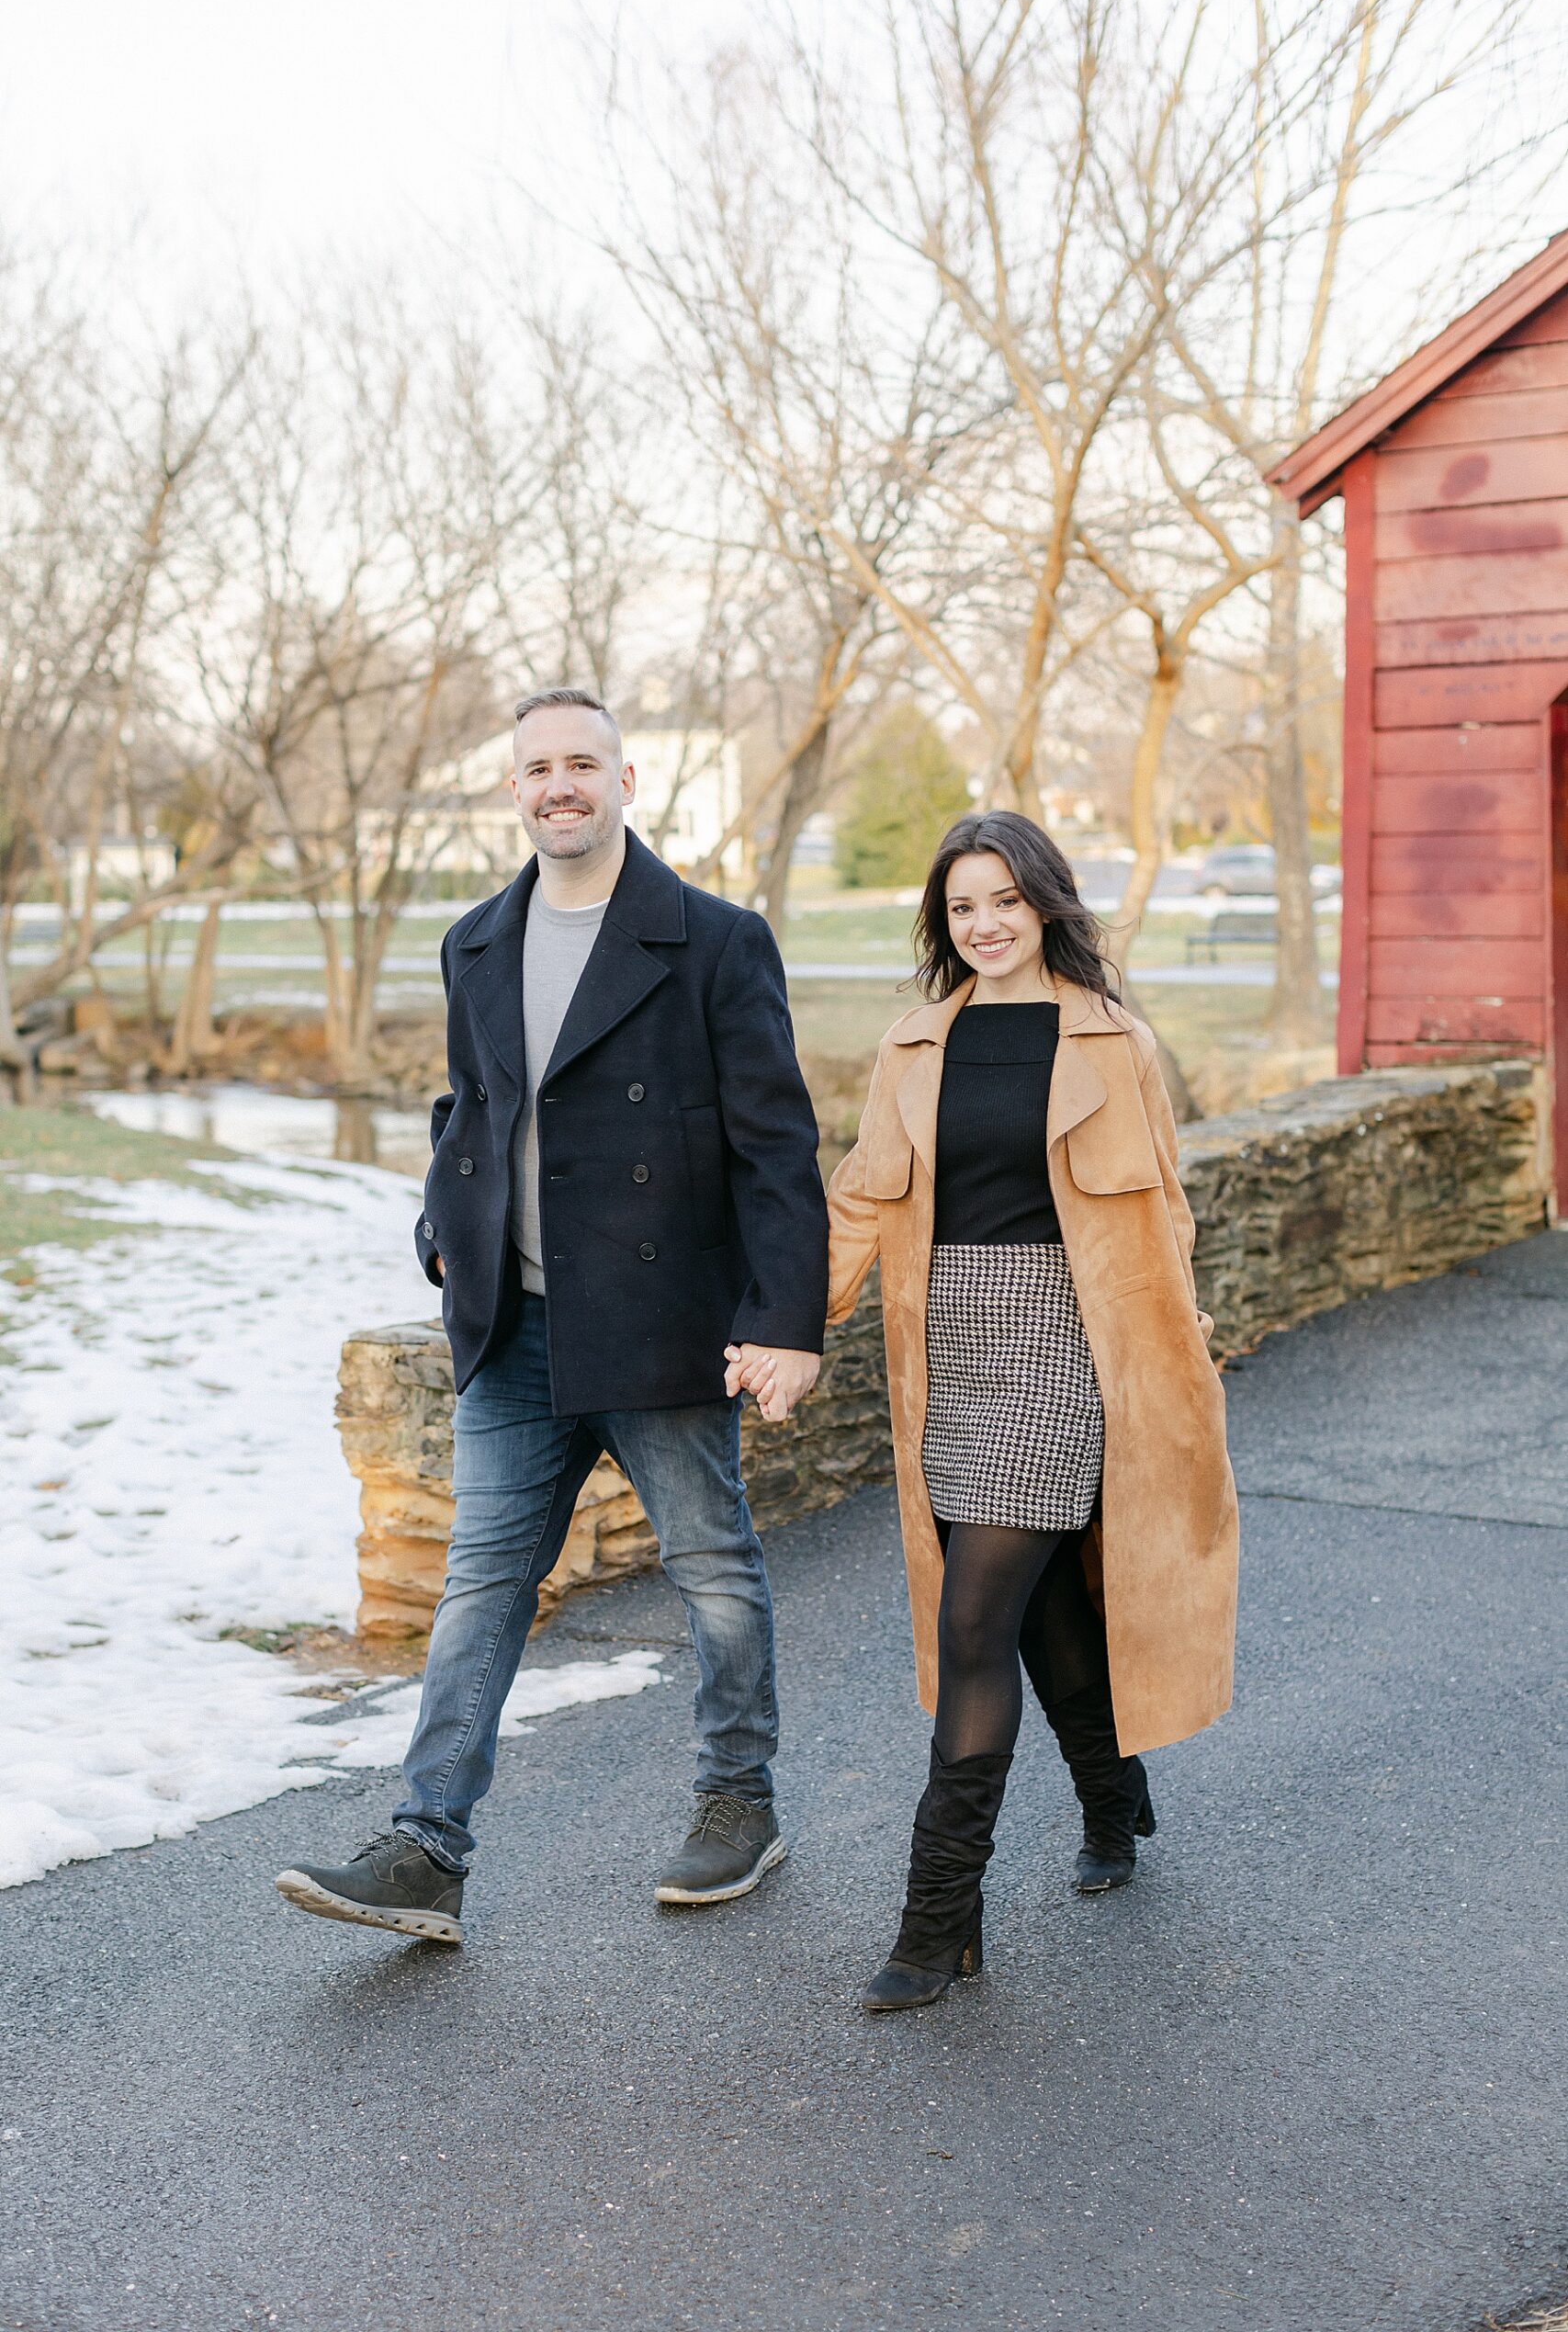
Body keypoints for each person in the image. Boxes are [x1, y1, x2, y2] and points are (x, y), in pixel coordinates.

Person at [276, 688, 826, 1944]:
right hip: (512, 1330)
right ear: (514, 790)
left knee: (714, 1571)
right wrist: (440, 1230)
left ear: (627, 781)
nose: (558, 786)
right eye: (536, 768)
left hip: (662, 1324)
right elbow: (467, 1109)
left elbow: (778, 1148)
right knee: (480, 1584)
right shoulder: (476, 942)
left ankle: (739, 1800)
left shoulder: (715, 942)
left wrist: (784, 1318)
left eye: (583, 764)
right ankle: (427, 1849)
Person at [739, 811, 1235, 2010]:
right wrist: (790, 1328)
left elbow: (1162, 1212)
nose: (986, 924)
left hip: (1070, 1347)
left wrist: (1178, 1360)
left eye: (1006, 899)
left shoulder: (1113, 1042)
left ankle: (936, 1921)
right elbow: (859, 1202)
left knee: (973, 1628)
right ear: (943, 924)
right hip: (947, 1349)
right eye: (963, 907)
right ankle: (1113, 1797)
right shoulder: (916, 1045)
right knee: (1042, 1611)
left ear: (1047, 903)